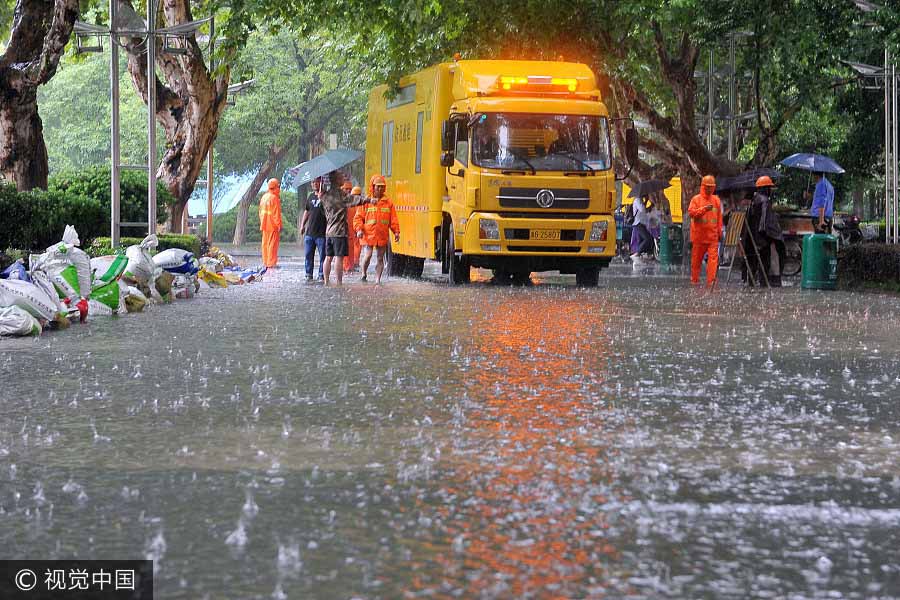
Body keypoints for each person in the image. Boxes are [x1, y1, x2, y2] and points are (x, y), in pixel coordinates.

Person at [320, 171, 368, 286]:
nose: (344, 179)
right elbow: (354, 200)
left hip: (329, 232)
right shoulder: (340, 194)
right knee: (339, 258)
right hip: (339, 232)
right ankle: (339, 282)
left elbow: (322, 211)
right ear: (336, 180)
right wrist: (369, 200)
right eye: (341, 177)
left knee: (328, 257)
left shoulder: (325, 195)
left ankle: (326, 281)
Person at [354, 174, 400, 283]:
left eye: (382, 186)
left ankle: (377, 280)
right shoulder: (366, 201)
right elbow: (358, 217)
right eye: (377, 186)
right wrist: (359, 230)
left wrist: (396, 232)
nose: (380, 188)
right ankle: (363, 273)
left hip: (382, 235)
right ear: (373, 187)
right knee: (368, 255)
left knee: (380, 258)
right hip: (368, 235)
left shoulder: (388, 203)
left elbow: (393, 219)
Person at [743, 176, 786, 287]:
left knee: (753, 261)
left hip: (751, 239)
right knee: (768, 257)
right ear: (766, 188)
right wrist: (772, 236)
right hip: (762, 239)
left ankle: (751, 282)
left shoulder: (753, 201)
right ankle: (765, 282)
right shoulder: (765, 201)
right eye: (770, 188)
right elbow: (765, 223)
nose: (771, 190)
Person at [688, 175, 723, 288]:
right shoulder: (696, 199)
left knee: (713, 260)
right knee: (696, 262)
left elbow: (719, 218)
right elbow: (691, 213)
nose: (709, 189)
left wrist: (719, 232)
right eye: (707, 187)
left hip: (712, 237)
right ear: (703, 186)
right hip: (699, 237)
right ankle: (694, 281)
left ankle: (711, 282)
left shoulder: (716, 200)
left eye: (711, 187)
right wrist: (703, 210)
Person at [299, 177, 327, 281]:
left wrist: (322, 199)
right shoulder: (310, 196)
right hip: (310, 232)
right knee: (308, 255)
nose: (314, 183)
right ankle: (308, 274)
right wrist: (302, 225)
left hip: (322, 233)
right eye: (312, 182)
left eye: (316, 181)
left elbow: (329, 211)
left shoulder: (326, 196)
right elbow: (307, 211)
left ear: (321, 182)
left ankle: (321, 274)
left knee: (323, 256)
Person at [258, 178, 282, 269]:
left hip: (264, 225)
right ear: (276, 187)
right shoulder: (274, 198)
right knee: (272, 245)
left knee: (265, 244)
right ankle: (271, 263)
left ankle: (265, 262)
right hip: (273, 226)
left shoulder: (264, 197)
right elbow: (276, 214)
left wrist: (262, 222)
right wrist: (279, 225)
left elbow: (260, 212)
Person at [343, 183, 363, 273]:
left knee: (354, 248)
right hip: (347, 230)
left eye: (349, 189)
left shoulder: (358, 205)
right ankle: (348, 266)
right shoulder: (345, 203)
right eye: (346, 189)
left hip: (355, 230)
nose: (347, 190)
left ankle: (351, 265)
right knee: (348, 248)